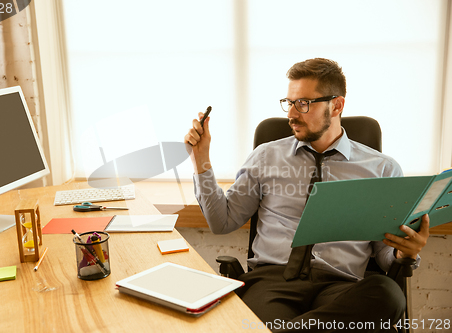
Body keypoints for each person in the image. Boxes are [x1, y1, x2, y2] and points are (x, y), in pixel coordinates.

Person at [184, 58, 429, 332]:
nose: (291, 114)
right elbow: (222, 222)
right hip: (272, 283)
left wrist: (402, 253)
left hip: (342, 287)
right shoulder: (266, 157)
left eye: (303, 103)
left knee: (388, 293)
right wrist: (200, 160)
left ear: (336, 105)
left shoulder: (382, 169)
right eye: (289, 102)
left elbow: (384, 255)